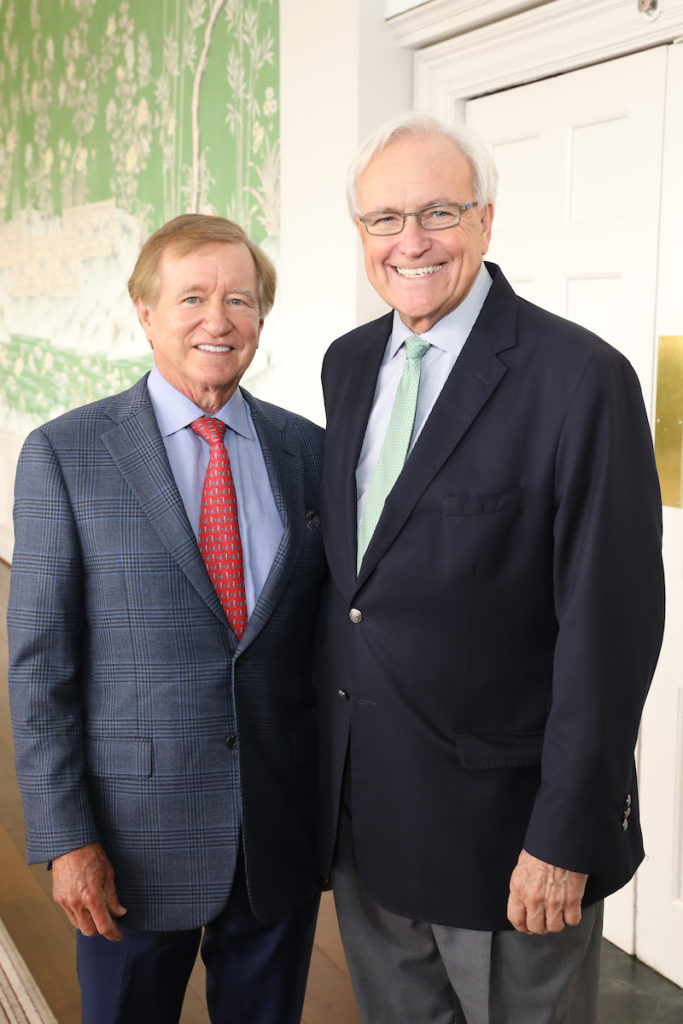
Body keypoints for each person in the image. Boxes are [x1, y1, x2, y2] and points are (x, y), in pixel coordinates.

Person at [317, 113, 665, 1023]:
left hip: (509, 840)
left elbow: (609, 633)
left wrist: (563, 837)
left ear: (485, 219)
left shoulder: (579, 378)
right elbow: (362, 592)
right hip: (370, 822)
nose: (411, 241)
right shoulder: (348, 365)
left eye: (438, 210)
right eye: (384, 219)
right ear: (360, 234)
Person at [8, 214, 326, 1024]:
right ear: (144, 312)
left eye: (240, 300)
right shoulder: (65, 454)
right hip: (128, 844)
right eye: (191, 297)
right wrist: (65, 839)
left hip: (275, 836)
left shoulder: (310, 453)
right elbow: (40, 668)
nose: (217, 320)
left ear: (261, 318)